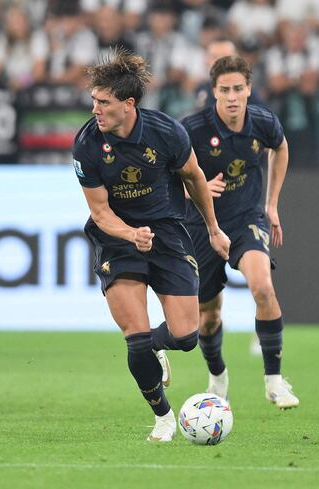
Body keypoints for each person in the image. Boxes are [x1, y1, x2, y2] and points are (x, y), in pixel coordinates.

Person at [72, 49, 230, 442]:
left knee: (186, 336)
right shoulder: (87, 144)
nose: (95, 109)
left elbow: (194, 177)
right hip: (116, 238)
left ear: (128, 104)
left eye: (103, 102)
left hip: (167, 230)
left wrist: (212, 228)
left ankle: (158, 348)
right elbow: (100, 210)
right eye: (94, 100)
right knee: (135, 336)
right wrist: (129, 234)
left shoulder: (167, 133)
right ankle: (162, 417)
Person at [181, 55, 298, 409]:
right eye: (224, 90)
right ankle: (218, 377)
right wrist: (195, 189)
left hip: (247, 216)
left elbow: (280, 147)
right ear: (213, 92)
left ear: (249, 89)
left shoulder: (262, 122)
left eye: (238, 89)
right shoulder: (193, 128)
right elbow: (168, 174)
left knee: (262, 287)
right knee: (208, 315)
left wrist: (272, 204)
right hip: (203, 224)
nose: (232, 96)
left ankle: (274, 381)